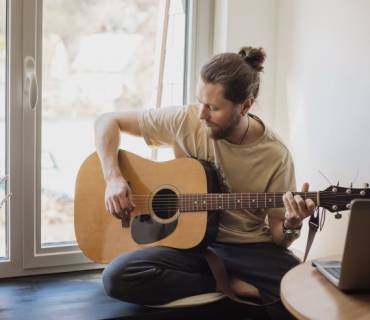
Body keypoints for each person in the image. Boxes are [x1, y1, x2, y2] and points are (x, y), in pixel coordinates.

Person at [94, 46, 316, 319]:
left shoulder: (275, 156)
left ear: (245, 106)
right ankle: (227, 285)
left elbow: (280, 237)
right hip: (188, 246)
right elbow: (108, 121)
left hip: (249, 249)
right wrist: (113, 178)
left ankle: (229, 282)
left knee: (302, 293)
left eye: (213, 107)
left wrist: (293, 223)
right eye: (200, 101)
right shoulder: (185, 120)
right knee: (117, 277)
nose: (201, 114)